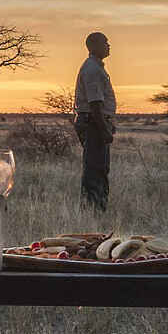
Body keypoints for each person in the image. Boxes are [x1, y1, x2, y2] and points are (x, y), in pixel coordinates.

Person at [73, 32, 116, 211]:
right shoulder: (92, 69)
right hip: (93, 123)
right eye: (105, 42)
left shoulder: (96, 67)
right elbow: (95, 104)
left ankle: (96, 209)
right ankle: (93, 210)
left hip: (94, 122)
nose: (108, 45)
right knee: (95, 169)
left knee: (98, 168)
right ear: (94, 46)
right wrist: (104, 129)